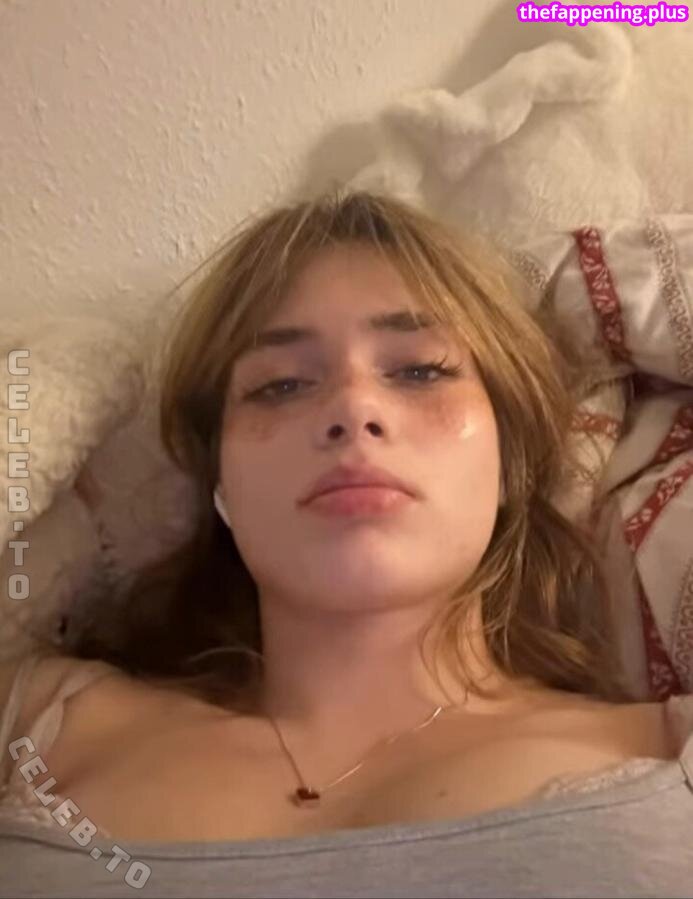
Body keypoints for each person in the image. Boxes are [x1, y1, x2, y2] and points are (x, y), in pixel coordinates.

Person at [1, 188, 692, 898]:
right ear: (220, 487)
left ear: (507, 465)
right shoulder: (35, 724)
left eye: (420, 370)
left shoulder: (669, 751)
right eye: (280, 385)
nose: (353, 408)